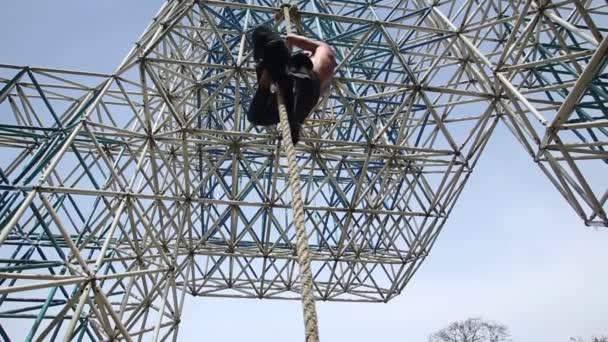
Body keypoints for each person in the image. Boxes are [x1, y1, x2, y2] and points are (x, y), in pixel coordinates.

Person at [247, 25, 336, 144]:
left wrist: (288, 50)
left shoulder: (322, 47)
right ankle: (291, 120)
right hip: (304, 105)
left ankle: (266, 79)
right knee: (255, 116)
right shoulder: (327, 59)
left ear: (309, 53)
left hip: (300, 79)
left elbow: (290, 39)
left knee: (261, 33)